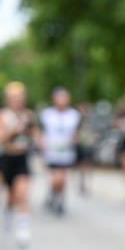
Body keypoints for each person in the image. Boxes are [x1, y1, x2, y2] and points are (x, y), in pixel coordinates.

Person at [0, 82, 38, 248]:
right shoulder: (3, 115)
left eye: (20, 97)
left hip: (22, 158)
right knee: (11, 196)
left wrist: (37, 138)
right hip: (7, 158)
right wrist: (14, 130)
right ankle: (8, 214)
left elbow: (34, 133)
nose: (17, 101)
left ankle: (23, 230)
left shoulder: (28, 115)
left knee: (22, 193)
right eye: (14, 98)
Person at [39, 87, 81, 216]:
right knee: (55, 179)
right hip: (51, 152)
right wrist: (41, 143)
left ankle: (59, 201)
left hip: (66, 152)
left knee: (62, 178)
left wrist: (76, 139)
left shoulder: (74, 115)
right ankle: (53, 194)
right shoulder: (47, 114)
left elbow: (77, 133)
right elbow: (40, 132)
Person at [75, 101, 98, 196]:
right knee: (81, 163)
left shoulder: (91, 120)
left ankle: (87, 182)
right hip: (81, 144)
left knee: (88, 163)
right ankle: (82, 181)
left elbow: (95, 131)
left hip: (89, 144)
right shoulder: (77, 120)